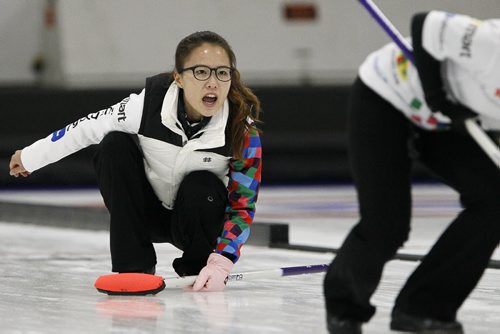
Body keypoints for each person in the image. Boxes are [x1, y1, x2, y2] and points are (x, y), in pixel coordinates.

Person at [9, 31, 262, 292]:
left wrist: (222, 261)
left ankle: (197, 267)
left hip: (197, 221)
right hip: (146, 213)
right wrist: (31, 157)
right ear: (179, 77)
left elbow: (243, 205)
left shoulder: (241, 131)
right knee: (114, 145)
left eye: (222, 73)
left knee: (203, 184)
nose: (213, 83)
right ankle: (133, 265)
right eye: (201, 72)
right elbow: (85, 128)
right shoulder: (145, 106)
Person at [324, 10, 500, 334]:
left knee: (495, 200)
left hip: (446, 121)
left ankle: (422, 309)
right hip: (387, 96)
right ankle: (343, 307)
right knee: (387, 224)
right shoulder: (494, 45)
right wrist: (436, 95)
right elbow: (426, 23)